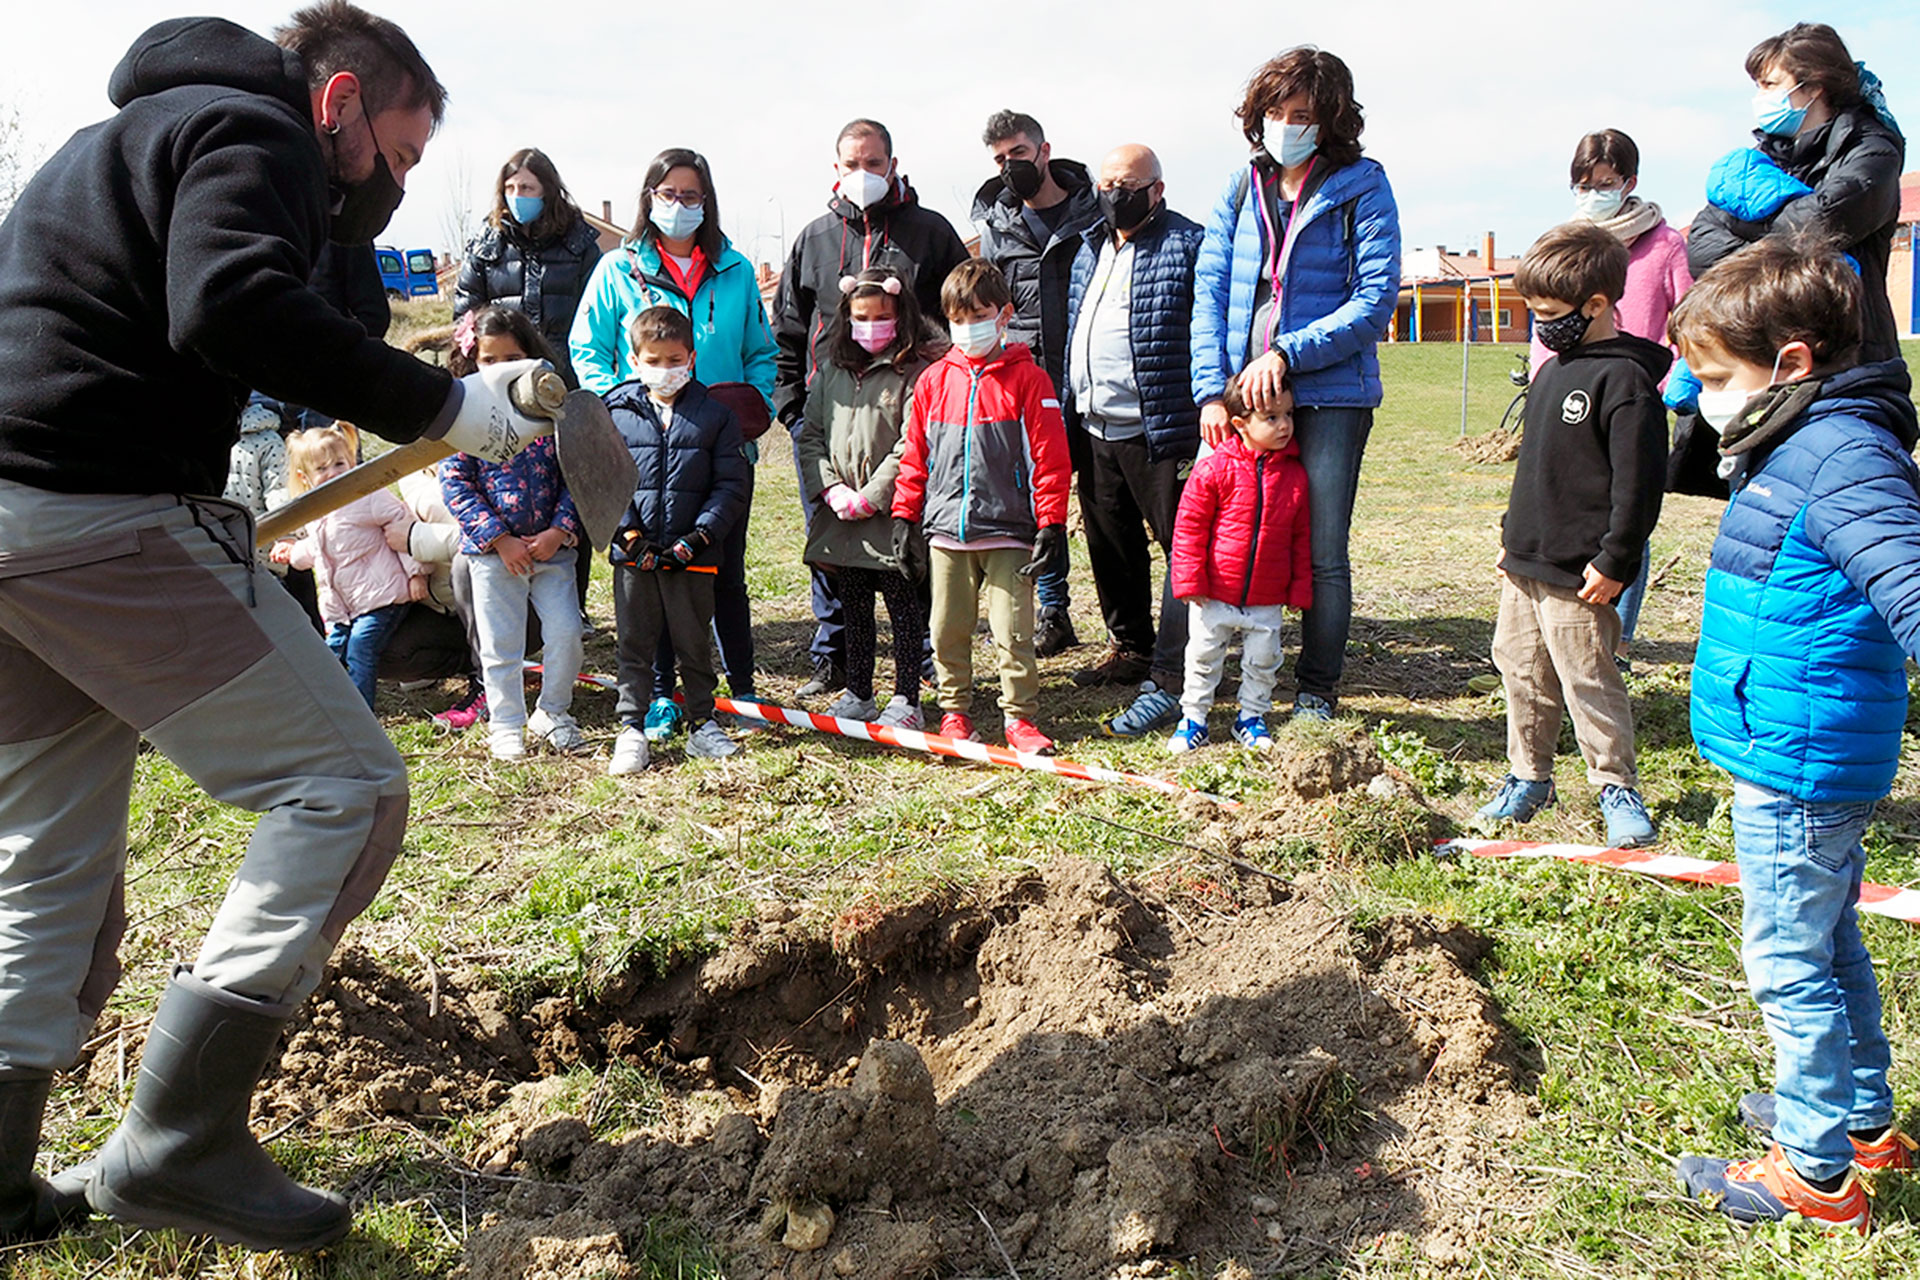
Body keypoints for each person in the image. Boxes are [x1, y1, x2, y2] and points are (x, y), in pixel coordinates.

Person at [0, 2, 552, 1250]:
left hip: (10, 519)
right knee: (343, 783)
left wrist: (402, 349)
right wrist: (442, 406)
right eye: (401, 157)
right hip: (103, 503)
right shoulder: (253, 132)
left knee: (46, 857)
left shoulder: (138, 135)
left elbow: (280, 313)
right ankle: (179, 1140)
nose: (397, 194)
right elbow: (232, 303)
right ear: (341, 101)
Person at [1670, 239, 1920, 1233]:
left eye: (1718, 374)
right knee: (1828, 933)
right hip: (1798, 743)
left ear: (1795, 361)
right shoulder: (1803, 437)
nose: (1703, 392)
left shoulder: (1842, 457)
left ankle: (1815, 1174)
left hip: (1800, 760)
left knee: (1786, 958)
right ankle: (1858, 1118)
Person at [1191, 46, 1401, 721]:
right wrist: (1210, 391)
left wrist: (1288, 352)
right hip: (1243, 397)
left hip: (1331, 394)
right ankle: (1189, 682)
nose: (1286, 126)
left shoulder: (1363, 185)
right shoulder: (1239, 185)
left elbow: (1374, 300)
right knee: (1217, 530)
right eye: (1276, 113)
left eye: (1302, 114)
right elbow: (1211, 291)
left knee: (1323, 548)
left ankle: (1316, 689)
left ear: (1331, 120)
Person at [1474, 222, 1666, 849]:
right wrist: (1510, 536)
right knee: (1520, 668)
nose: (1540, 324)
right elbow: (1534, 467)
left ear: (1597, 306)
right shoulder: (1553, 371)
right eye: (1533, 311)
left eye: (1550, 313)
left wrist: (1616, 559)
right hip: (1526, 561)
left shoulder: (1627, 384)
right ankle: (1529, 776)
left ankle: (1615, 784)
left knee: (1588, 675)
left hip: (1583, 572)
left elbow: (1638, 488)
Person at [571, 148, 773, 739]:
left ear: (705, 201)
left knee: (724, 572)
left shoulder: (734, 270)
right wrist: (626, 410)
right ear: (649, 198)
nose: (678, 205)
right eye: (668, 194)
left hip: (716, 449)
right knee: (652, 573)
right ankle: (662, 693)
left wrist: (749, 410)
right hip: (641, 449)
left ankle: (742, 689)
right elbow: (588, 352)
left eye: (690, 195)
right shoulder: (617, 270)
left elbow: (761, 350)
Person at [773, 119, 971, 699]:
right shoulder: (812, 238)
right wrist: (791, 407)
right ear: (836, 168)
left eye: (874, 162)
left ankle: (930, 660)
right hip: (831, 423)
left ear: (893, 162)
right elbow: (789, 328)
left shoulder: (930, 232)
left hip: (912, 415)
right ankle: (834, 658)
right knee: (833, 548)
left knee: (910, 551)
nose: (864, 174)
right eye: (852, 164)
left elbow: (958, 312)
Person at [890, 259, 1070, 755]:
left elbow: (1051, 458)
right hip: (947, 530)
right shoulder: (932, 382)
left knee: (1013, 629)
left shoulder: (1030, 381)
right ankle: (955, 711)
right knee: (947, 627)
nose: (968, 329)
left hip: (1010, 529)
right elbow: (915, 454)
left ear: (1004, 314)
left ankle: (1020, 719)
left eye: (978, 316)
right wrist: (906, 515)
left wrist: (1051, 521)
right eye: (958, 320)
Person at [1059, 144, 1205, 738]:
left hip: (1162, 424)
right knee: (1110, 543)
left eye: (1129, 183)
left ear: (1158, 190)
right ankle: (1131, 645)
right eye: (1108, 182)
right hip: (1095, 421)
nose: (1115, 193)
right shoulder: (1089, 245)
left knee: (1182, 549)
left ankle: (1182, 663)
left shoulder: (1189, 245)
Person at [1532, 129, 1693, 665]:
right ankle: (1560, 623)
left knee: (1628, 507)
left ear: (1630, 183)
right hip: (1567, 397)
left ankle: (1617, 638)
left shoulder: (1665, 243)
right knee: (1566, 503)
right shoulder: (1563, 242)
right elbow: (1544, 323)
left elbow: (1686, 316)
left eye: (1605, 183)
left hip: (1632, 395)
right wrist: (1542, 384)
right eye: (1584, 183)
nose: (1594, 192)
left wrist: (1665, 384)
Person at [1686, 22, 1906, 362]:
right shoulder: (1760, 157)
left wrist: (1748, 227)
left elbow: (1819, 225)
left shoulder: (1872, 153)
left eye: (1770, 85)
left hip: (1850, 354)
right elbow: (1701, 249)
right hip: (1765, 348)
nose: (1760, 98)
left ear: (1814, 86)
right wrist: (1782, 232)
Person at [972, 111, 1104, 657]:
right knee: (1034, 499)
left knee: (1103, 506)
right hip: (1030, 385)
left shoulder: (1094, 215)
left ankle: (1130, 629)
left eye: (1018, 155)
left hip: (1091, 378)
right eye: (1000, 160)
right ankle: (1053, 610)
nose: (1010, 167)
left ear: (1044, 151)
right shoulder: (996, 230)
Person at [605, 306, 751, 773]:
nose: (665, 370)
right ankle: (631, 726)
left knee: (693, 640)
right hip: (635, 558)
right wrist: (628, 535)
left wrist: (700, 536)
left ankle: (703, 723)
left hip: (694, 554)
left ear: (691, 356)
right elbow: (601, 482)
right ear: (635, 359)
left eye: (674, 359)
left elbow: (730, 485)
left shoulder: (715, 416)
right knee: (634, 641)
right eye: (654, 360)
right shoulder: (615, 413)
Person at [440, 306, 586, 761]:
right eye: (489, 360)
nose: (501, 368)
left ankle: (553, 712)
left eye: (513, 356)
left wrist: (559, 532)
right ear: (471, 360)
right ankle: (506, 723)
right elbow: (455, 483)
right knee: (501, 644)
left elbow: (575, 477)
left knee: (566, 634)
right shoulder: (460, 415)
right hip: (492, 556)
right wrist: (498, 539)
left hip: (552, 552)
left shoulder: (552, 412)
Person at [797, 268, 940, 728]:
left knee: (903, 609)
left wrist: (874, 494)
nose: (872, 325)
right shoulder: (831, 371)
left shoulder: (913, 371)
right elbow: (811, 434)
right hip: (843, 517)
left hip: (891, 513)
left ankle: (906, 698)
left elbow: (910, 442)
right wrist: (831, 488)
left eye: (883, 317)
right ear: (847, 317)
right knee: (854, 606)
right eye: (862, 316)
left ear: (901, 316)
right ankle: (859, 690)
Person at [1165, 374, 1310, 755]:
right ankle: (1193, 717)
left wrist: (1298, 588)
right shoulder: (1214, 469)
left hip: (1266, 594)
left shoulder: (1295, 476)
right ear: (1240, 424)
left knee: (1264, 660)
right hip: (1214, 593)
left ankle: (1251, 716)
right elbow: (1189, 528)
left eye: (1289, 415)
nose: (1284, 425)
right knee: (1202, 656)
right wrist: (1189, 580)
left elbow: (1300, 538)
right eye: (1271, 417)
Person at [271, 423, 430, 709]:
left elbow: (404, 527)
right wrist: (293, 553)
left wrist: (416, 572)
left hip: (382, 596)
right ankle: (330, 709)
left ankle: (361, 714)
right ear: (304, 477)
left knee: (360, 648)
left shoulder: (367, 496)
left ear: (352, 461)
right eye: (321, 469)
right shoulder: (315, 511)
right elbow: (320, 551)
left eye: (339, 463)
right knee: (331, 653)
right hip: (342, 608)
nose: (332, 473)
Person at [453, 147, 602, 387]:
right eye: (510, 188)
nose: (517, 196)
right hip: (500, 376)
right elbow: (466, 315)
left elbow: (598, 316)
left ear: (547, 191)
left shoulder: (579, 244)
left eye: (526, 188)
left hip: (566, 375)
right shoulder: (486, 244)